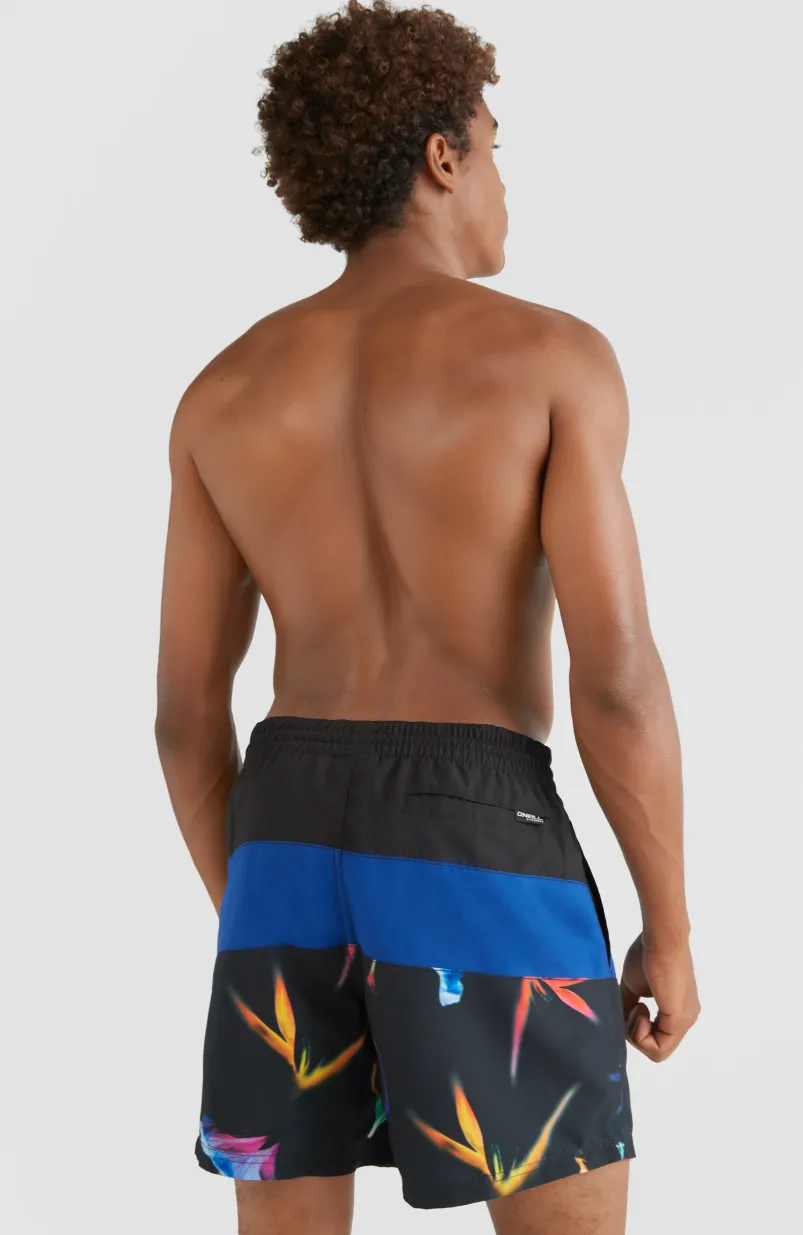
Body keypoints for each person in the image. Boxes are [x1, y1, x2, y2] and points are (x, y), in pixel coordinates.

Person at [155, 3, 700, 1232]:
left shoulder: (221, 392)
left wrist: (264, 909)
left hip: (282, 833)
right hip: (472, 821)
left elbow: (184, 715)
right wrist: (667, 928)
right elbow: (616, 678)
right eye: (494, 146)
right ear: (441, 158)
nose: (503, 180)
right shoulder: (550, 361)